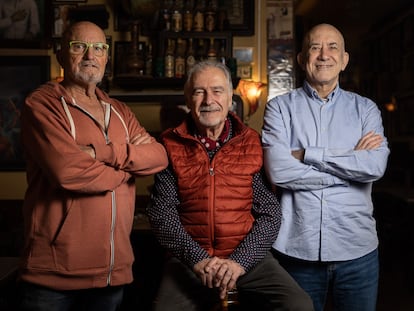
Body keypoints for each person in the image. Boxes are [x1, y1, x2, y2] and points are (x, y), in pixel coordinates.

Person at [17, 21, 168, 311]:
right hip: (52, 278)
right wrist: (128, 171)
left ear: (107, 57)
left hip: (112, 274)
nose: (90, 55)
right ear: (61, 55)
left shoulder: (121, 111)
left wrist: (101, 153)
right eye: (79, 47)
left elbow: (159, 156)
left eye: (99, 48)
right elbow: (68, 172)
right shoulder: (42, 105)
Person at [147, 60, 314, 311]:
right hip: (190, 259)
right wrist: (199, 260)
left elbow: (270, 214)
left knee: (299, 305)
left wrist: (238, 262)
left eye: (217, 90)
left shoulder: (251, 144)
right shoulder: (170, 144)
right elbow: (162, 215)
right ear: (188, 98)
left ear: (229, 98)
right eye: (199, 91)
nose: (208, 100)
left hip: (246, 256)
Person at [262, 23, 390, 311]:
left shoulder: (366, 110)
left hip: (358, 252)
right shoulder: (279, 108)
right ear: (301, 58)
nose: (324, 55)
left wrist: (307, 154)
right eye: (315, 47)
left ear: (344, 60)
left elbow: (374, 166)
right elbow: (278, 171)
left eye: (333, 47)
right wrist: (348, 170)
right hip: (296, 253)